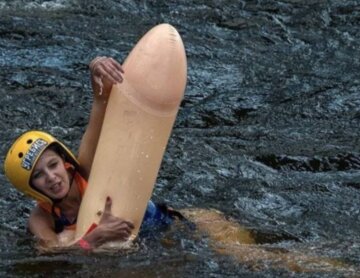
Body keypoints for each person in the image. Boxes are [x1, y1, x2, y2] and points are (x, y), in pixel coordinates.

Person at [4, 57, 179, 252]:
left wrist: (97, 68)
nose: (52, 177)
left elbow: (99, 112)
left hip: (159, 222)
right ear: (30, 188)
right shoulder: (41, 220)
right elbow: (54, 255)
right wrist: (95, 238)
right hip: (130, 252)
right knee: (64, 239)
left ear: (64, 161)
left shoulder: (85, 171)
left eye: (53, 165)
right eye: (38, 175)